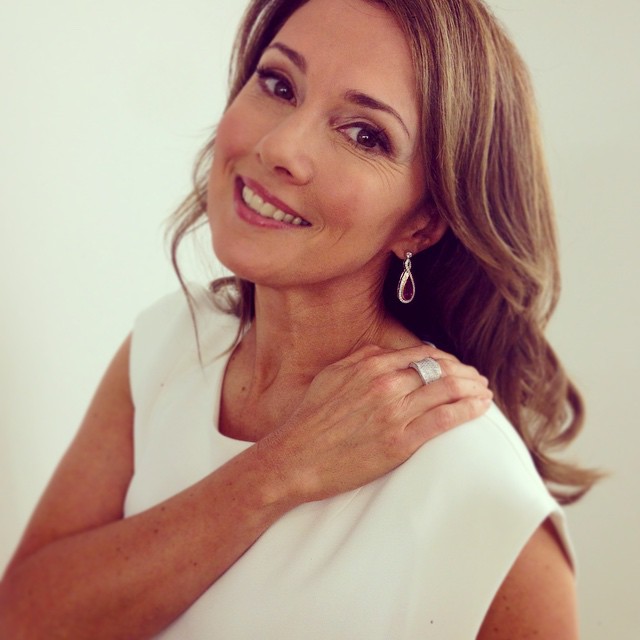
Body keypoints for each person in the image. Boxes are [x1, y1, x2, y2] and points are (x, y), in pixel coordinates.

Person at [0, 0, 598, 638]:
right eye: (279, 84)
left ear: (422, 223)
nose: (279, 146)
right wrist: (278, 469)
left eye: (364, 134)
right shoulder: (169, 342)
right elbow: (22, 619)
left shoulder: (482, 494)